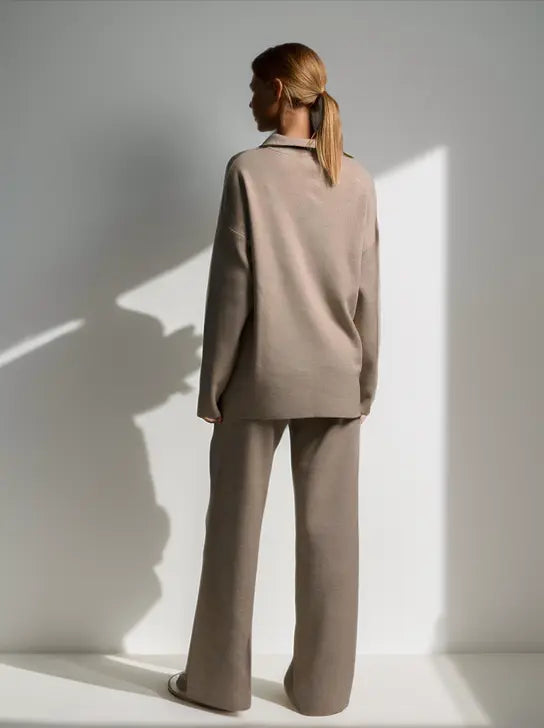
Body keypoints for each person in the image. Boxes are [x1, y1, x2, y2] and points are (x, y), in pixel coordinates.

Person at [168, 42, 380, 716]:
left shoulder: (248, 171)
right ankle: (322, 692)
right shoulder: (358, 178)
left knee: (234, 534)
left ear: (283, 91)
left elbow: (231, 288)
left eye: (257, 86)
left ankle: (216, 685)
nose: (251, 99)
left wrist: (213, 384)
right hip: (336, 378)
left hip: (260, 377)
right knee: (331, 543)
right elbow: (367, 293)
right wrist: (365, 382)